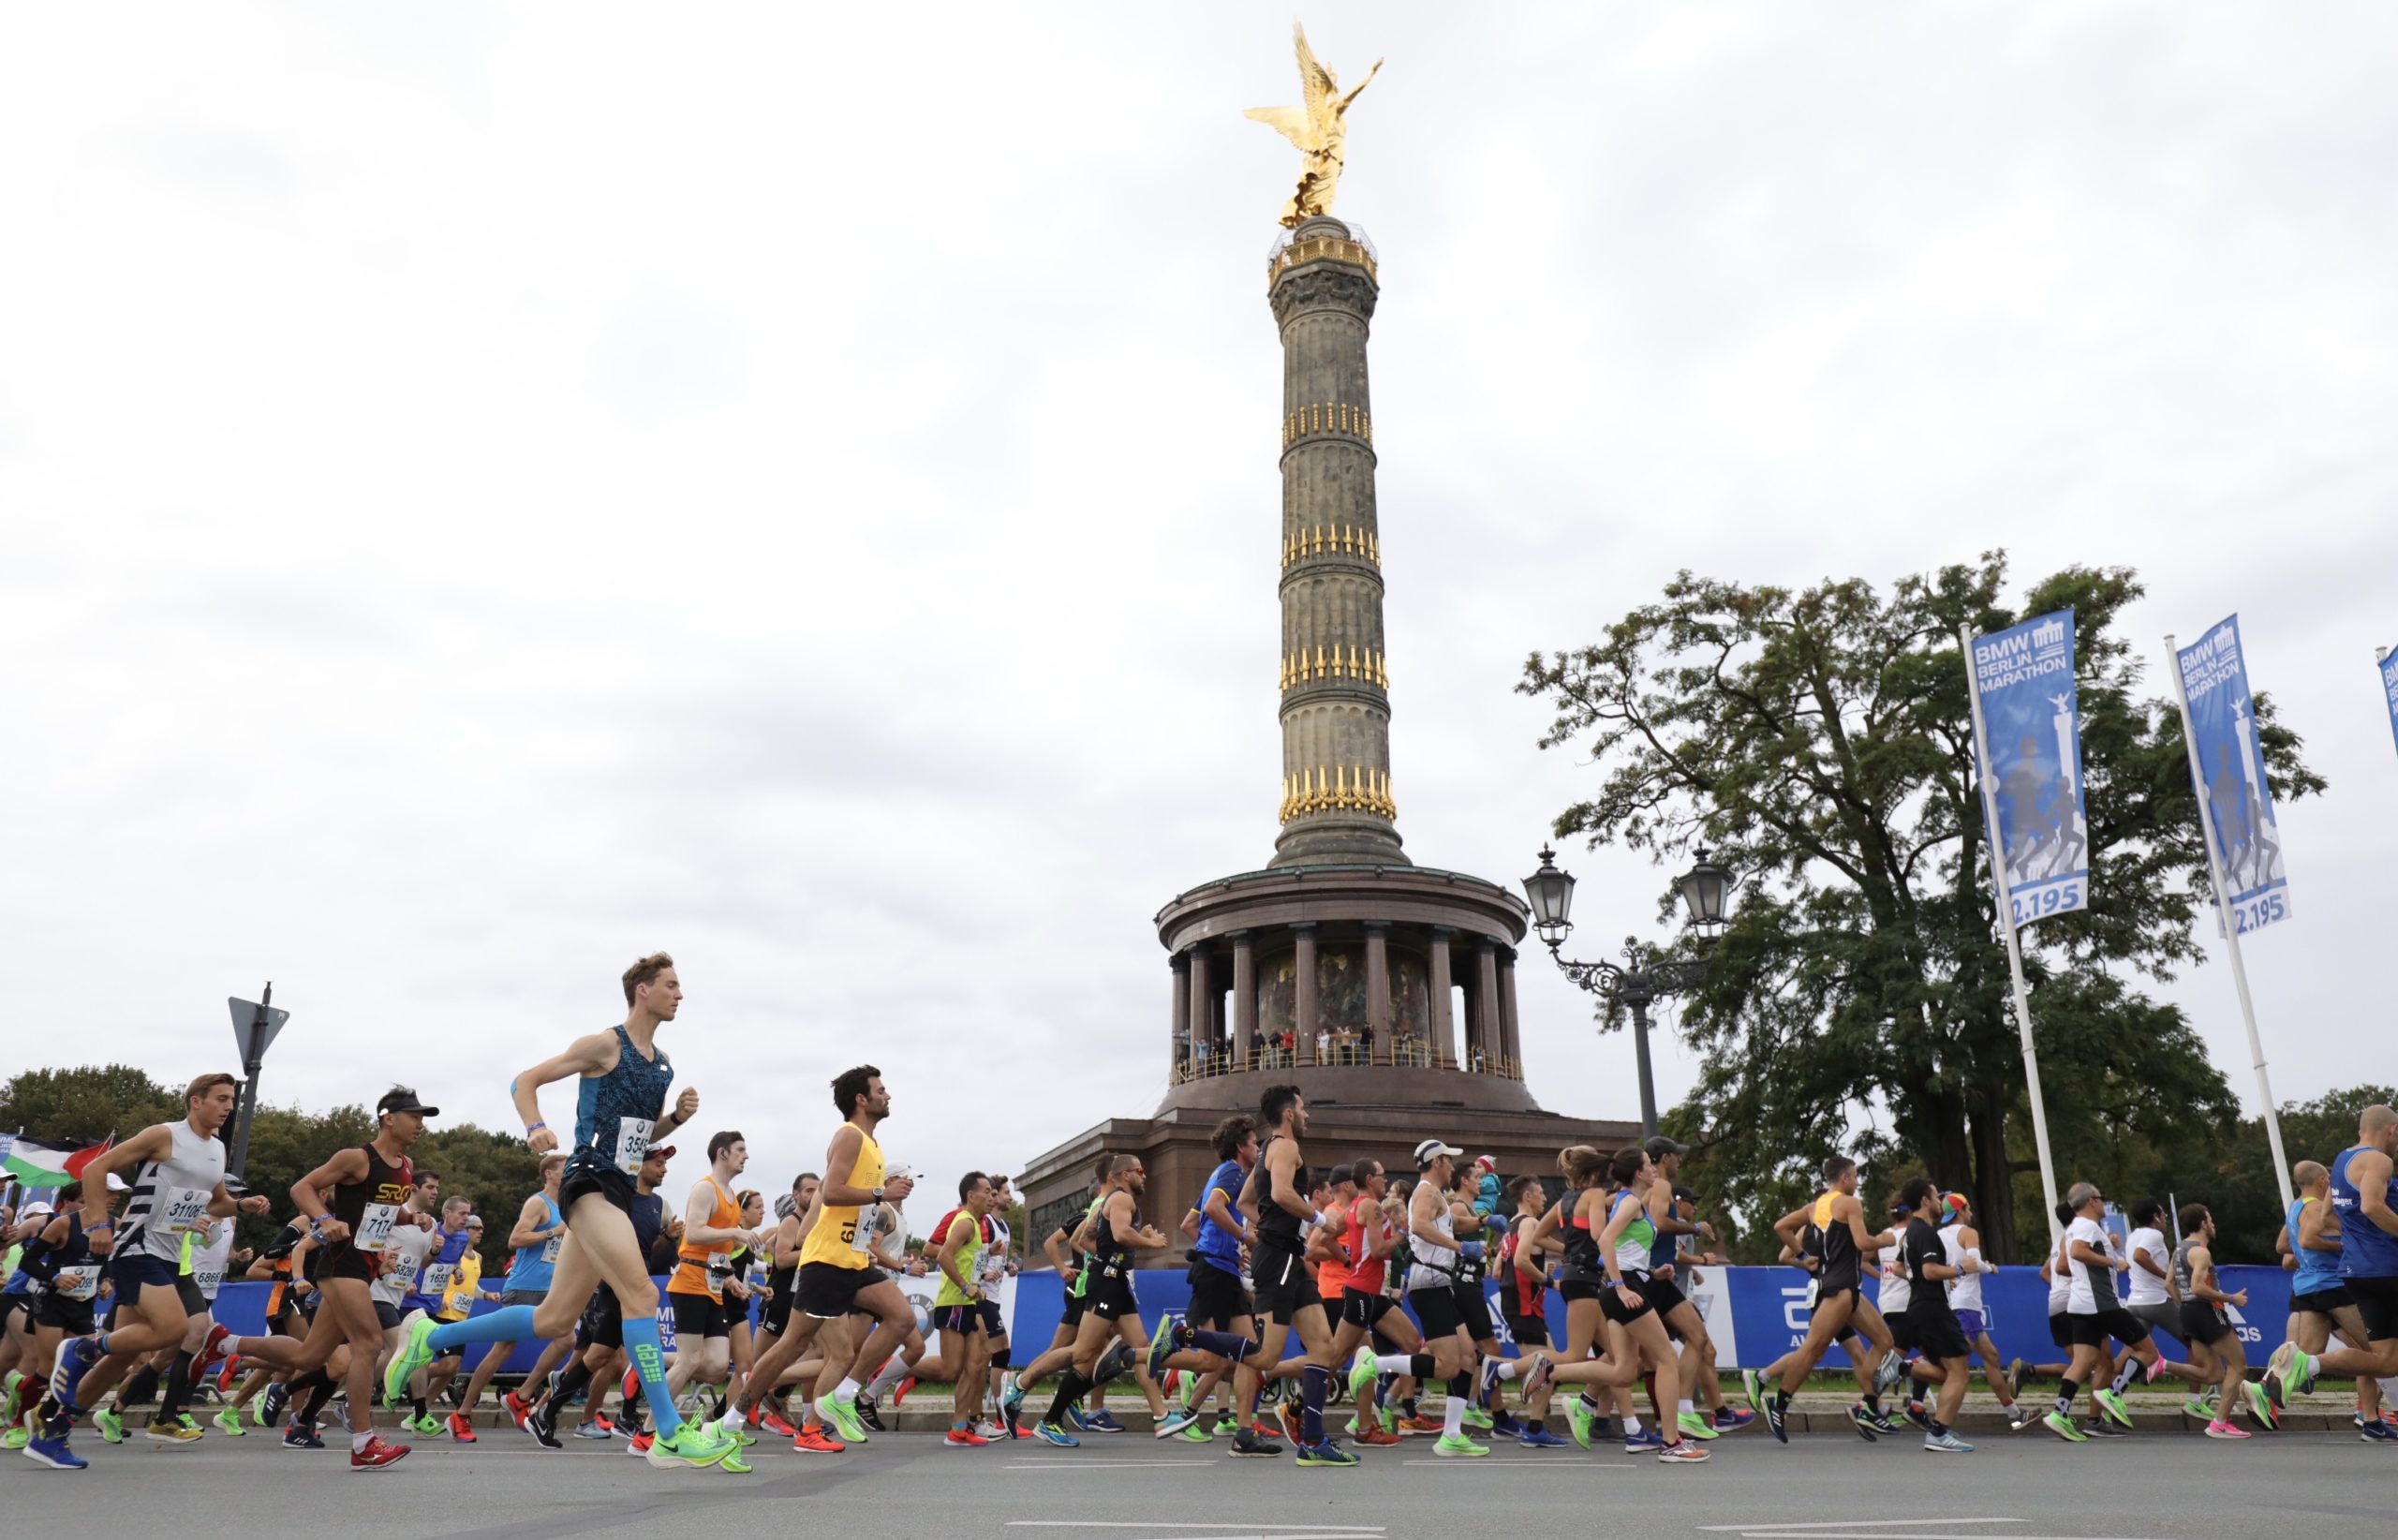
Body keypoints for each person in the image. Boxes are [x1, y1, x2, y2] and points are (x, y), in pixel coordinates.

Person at [381, 952, 740, 1471]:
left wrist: (674, 1122)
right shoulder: (605, 1044)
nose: (679, 994)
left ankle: (429, 1335)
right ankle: (667, 1432)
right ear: (642, 990)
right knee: (640, 1293)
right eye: (670, 984)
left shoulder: (662, 1065)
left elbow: (635, 1145)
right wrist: (534, 1126)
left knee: (554, 1319)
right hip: (586, 1181)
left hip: (617, 1185)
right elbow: (523, 1080)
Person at [26, 1074, 272, 1472]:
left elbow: (217, 1201)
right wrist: (96, 1224)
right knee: (176, 1329)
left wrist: (242, 1206)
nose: (229, 1108)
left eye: (232, 1101)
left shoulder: (217, 1151)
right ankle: (81, 1349)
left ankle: (53, 1427)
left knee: (118, 1356)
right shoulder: (164, 1135)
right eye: (221, 1099)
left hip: (172, 1257)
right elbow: (95, 1169)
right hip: (138, 1248)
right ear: (196, 1101)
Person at [205, 1088, 437, 1469]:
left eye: (423, 1117)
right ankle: (364, 1442)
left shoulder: (405, 1165)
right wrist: (324, 1219)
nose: (420, 1124)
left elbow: (382, 1211)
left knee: (309, 1354)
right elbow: (302, 1188)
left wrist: (411, 1218)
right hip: (341, 1263)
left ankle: (225, 1343)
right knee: (368, 1344)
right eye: (414, 1116)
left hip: (365, 1264)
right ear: (388, 1118)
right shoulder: (357, 1158)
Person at [714, 1064, 920, 1454]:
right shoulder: (849, 1136)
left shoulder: (871, 1145)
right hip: (829, 1261)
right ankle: (732, 1419)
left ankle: (841, 1398)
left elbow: (826, 1190)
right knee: (792, 1345)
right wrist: (881, 1192)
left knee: (901, 1319)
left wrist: (807, 1227)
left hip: (853, 1258)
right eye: (881, 1089)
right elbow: (838, 1191)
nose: (887, 1095)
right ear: (862, 1099)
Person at [523, 1142, 680, 1449]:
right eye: (658, 1163)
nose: (664, 1169)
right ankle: (640, 1423)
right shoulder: (614, 1199)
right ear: (639, 1164)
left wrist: (668, 1238)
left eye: (665, 1164)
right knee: (640, 1351)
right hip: (612, 1284)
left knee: (598, 1357)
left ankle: (545, 1414)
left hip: (634, 1285)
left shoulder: (660, 1205)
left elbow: (654, 1257)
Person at [2266, 1105, 2398, 1416]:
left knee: (2387, 1361)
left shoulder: (2341, 1162)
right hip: (2385, 1268)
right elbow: (2370, 1206)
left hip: (2357, 1272)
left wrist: (2356, 1238)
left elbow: (2328, 1214)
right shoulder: (2379, 1160)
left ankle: (2307, 1363)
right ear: (2392, 1129)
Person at [451, 1155, 574, 1432]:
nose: (569, 1172)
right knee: (502, 1350)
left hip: (551, 1289)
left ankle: (521, 1397)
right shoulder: (537, 1203)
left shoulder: (566, 1206)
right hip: (523, 1288)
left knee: (567, 1340)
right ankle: (463, 1412)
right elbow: (515, 1240)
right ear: (549, 1174)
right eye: (564, 1168)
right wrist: (553, 1232)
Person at [660, 1132, 760, 1425]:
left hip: (713, 1285)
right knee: (690, 1359)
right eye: (740, 1149)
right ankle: (651, 1429)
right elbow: (693, 1233)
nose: (746, 1155)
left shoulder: (730, 1195)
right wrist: (735, 1232)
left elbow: (718, 1254)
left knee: (717, 1366)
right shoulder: (705, 1189)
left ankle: (652, 1363)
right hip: (690, 1281)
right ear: (722, 1153)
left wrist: (731, 1279)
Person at [1896, 1177, 1976, 1452]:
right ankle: (1939, 1433)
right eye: (1935, 1196)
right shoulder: (1925, 1232)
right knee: (1960, 1372)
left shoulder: (1911, 1233)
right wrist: (1960, 1269)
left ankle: (1903, 1368)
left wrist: (1941, 1277)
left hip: (1919, 1306)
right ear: (1924, 1201)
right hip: (1932, 1308)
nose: (1940, 1202)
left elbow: (1904, 1269)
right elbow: (1930, 1271)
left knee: (1947, 1372)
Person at [2171, 1204, 2250, 1439]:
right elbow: (2197, 1287)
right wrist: (2230, 1298)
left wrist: (2186, 1307)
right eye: (2211, 1219)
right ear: (2203, 1224)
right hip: (2205, 1311)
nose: (2214, 1224)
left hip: (2189, 1311)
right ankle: (2220, 1422)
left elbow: (2169, 1284)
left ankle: (2161, 1366)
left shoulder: (2178, 1250)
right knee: (2239, 1366)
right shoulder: (2201, 1252)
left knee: (2213, 1374)